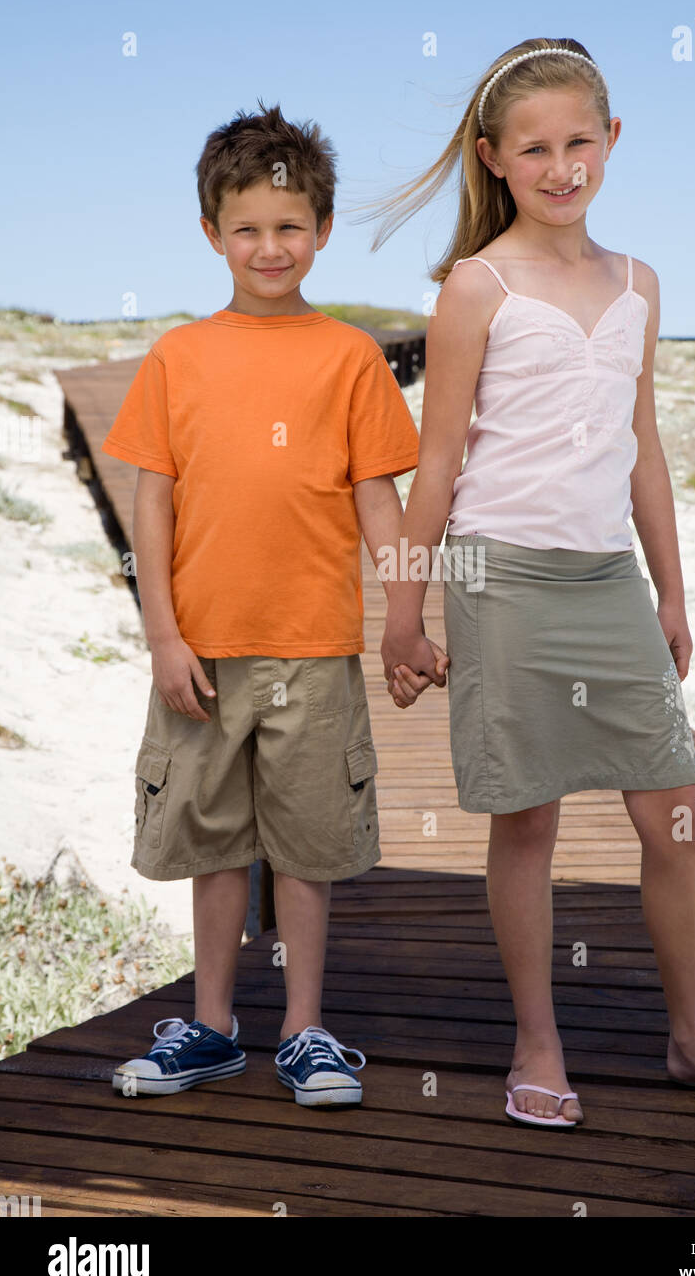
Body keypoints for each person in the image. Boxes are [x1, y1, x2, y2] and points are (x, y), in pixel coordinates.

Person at [359, 37, 695, 1126]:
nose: (560, 167)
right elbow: (440, 461)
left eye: (577, 142)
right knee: (525, 820)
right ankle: (537, 1039)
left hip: (606, 579)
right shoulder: (477, 285)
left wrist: (670, 591)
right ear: (493, 158)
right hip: (500, 579)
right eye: (534, 149)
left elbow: (641, 447)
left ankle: (692, 1037)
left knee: (678, 813)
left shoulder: (637, 283)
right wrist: (404, 612)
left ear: (611, 142)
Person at [101, 100, 447, 1107]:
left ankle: (303, 1029)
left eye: (289, 227)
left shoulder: (346, 356)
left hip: (314, 652)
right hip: (201, 653)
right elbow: (151, 502)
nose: (269, 246)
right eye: (246, 228)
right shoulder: (178, 357)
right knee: (212, 844)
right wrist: (162, 634)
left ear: (323, 231)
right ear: (212, 233)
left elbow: (375, 494)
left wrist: (403, 615)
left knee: (304, 846)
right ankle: (211, 1024)